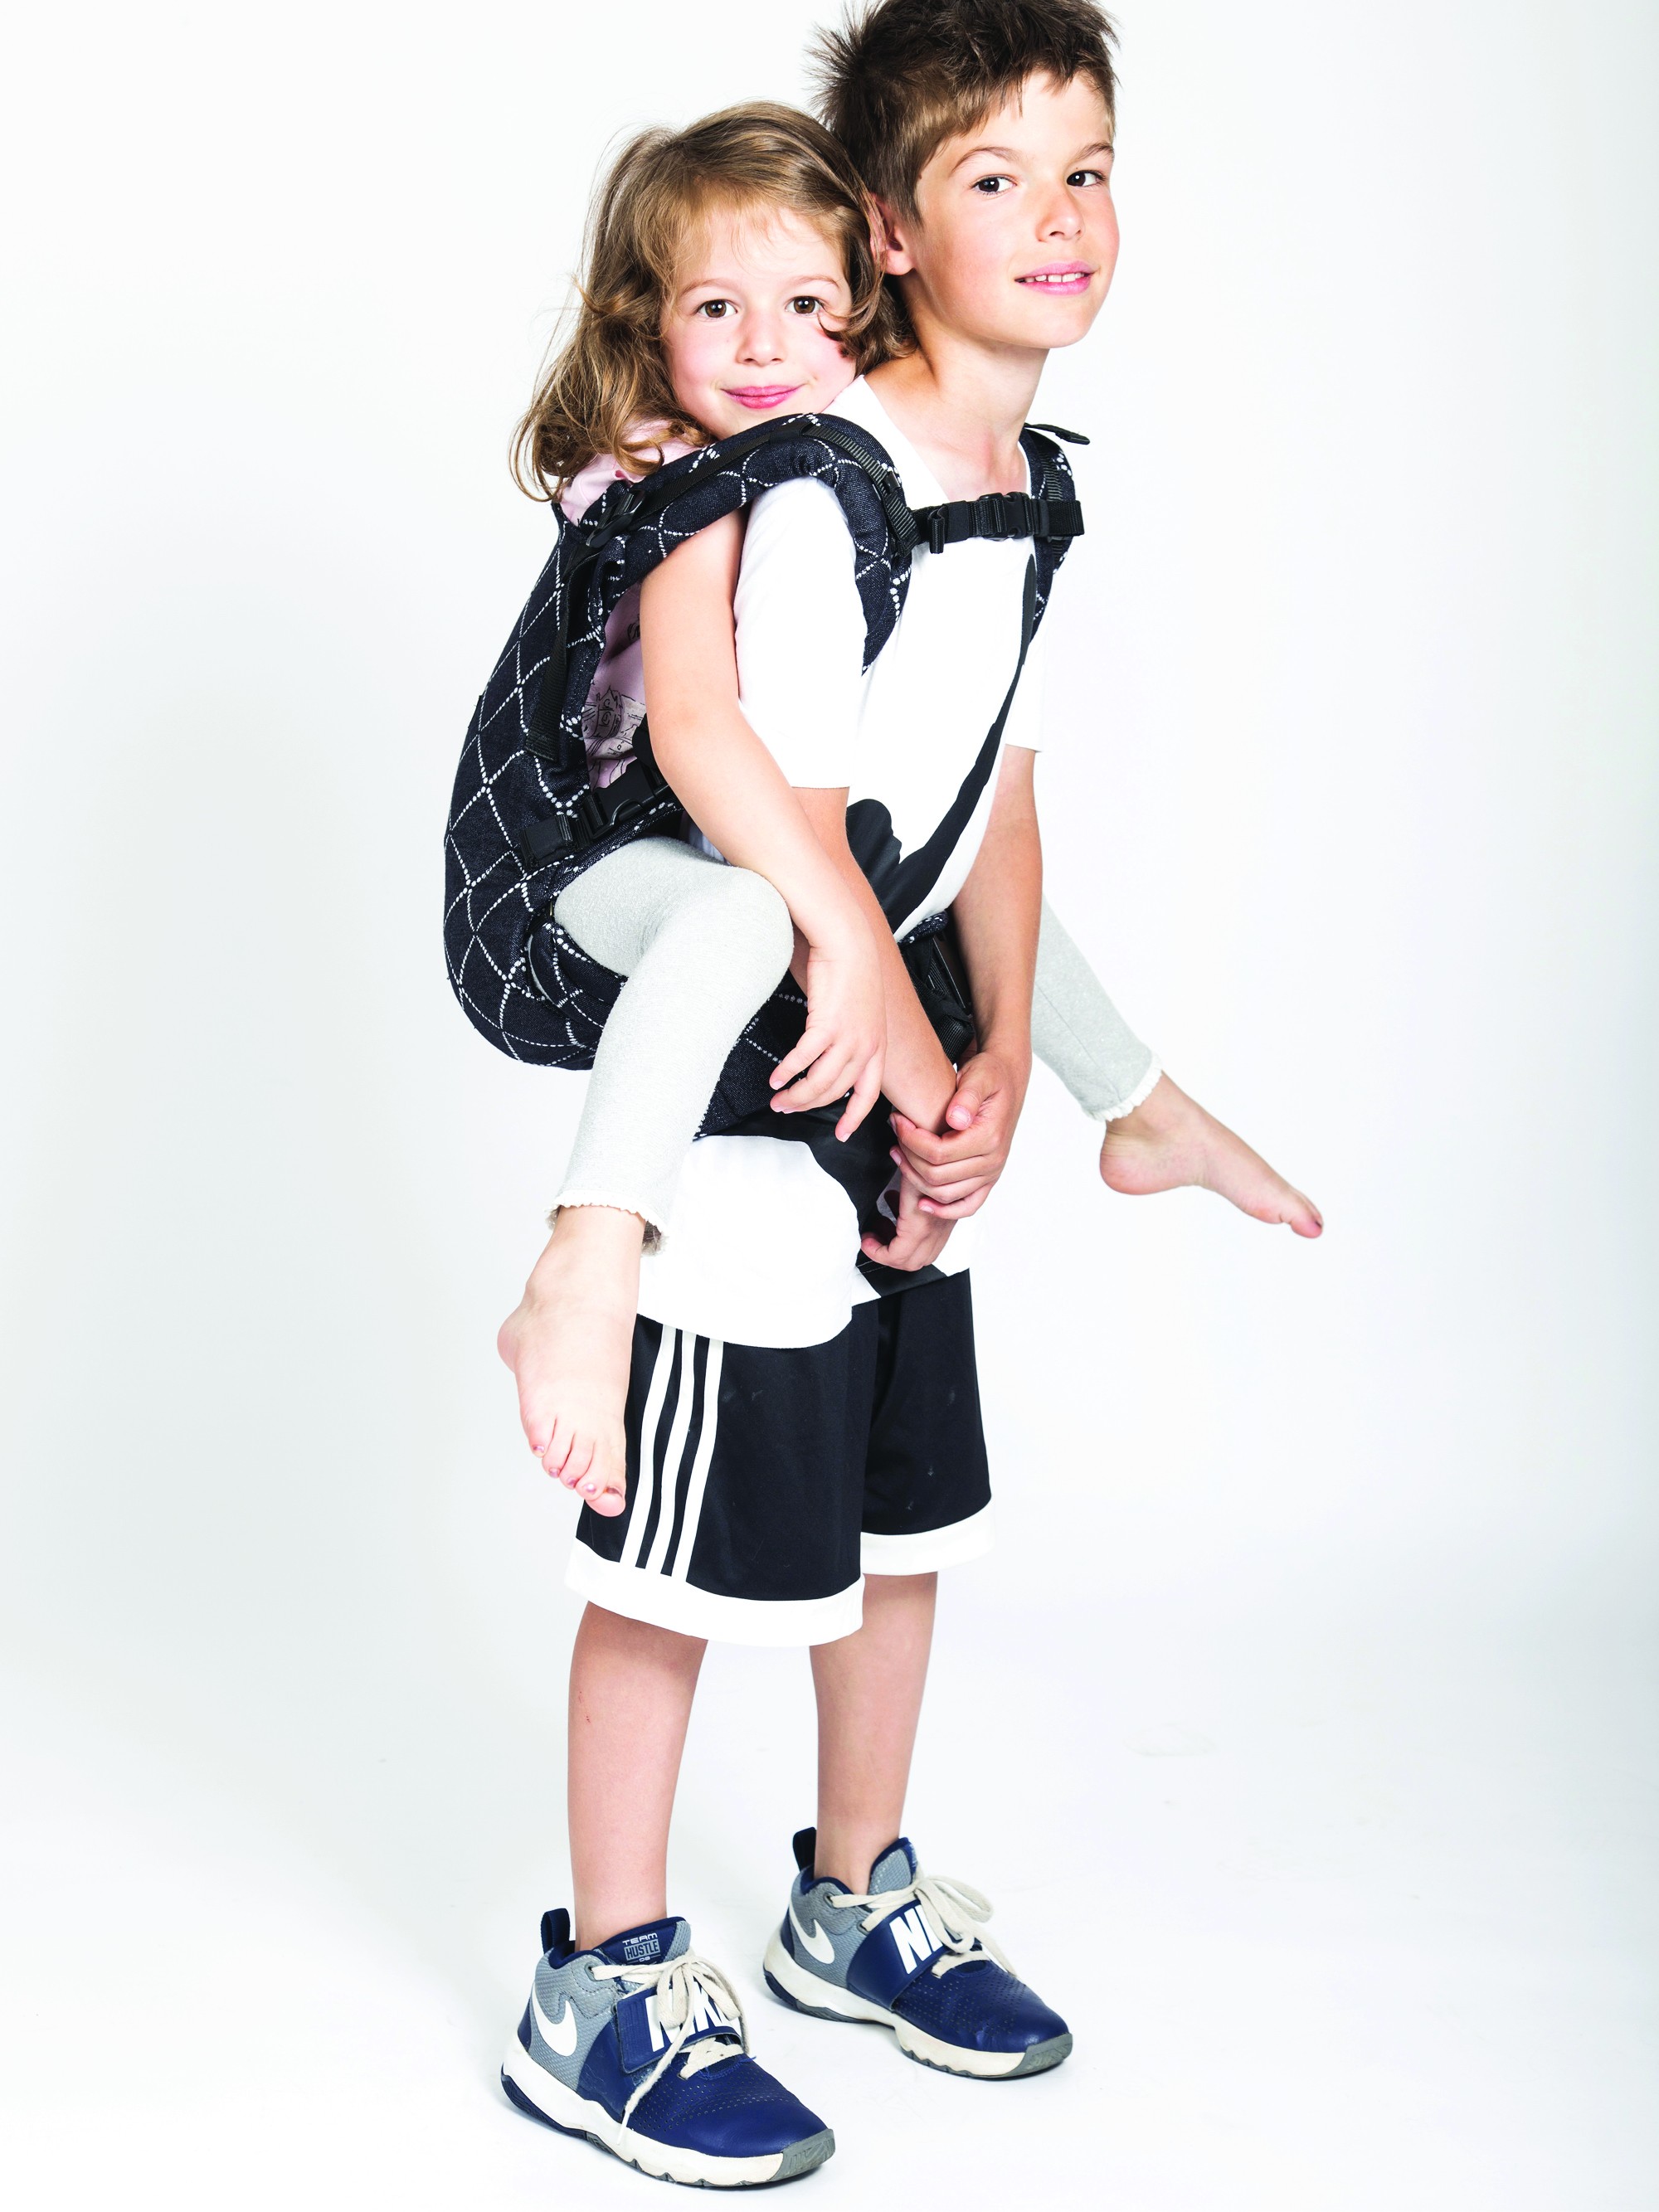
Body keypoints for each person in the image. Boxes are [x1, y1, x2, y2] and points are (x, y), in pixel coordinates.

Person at [494, 12, 1321, 2187]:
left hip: (882, 1009)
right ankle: (604, 1975)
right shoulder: (814, 469)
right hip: (747, 1033)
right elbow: (762, 796)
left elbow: (994, 812)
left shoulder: (1024, 485)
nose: (1059, 218)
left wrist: (1001, 1057)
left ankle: (854, 1892)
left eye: (1088, 172)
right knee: (681, 1546)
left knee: (898, 1513)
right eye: (995, 179)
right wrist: (895, 1006)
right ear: (887, 229)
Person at [499, 100, 1319, 1528]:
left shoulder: (824, 467)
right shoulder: (683, 472)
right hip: (583, 869)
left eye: (807, 308)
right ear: (652, 324)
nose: (765, 346)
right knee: (757, 914)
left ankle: (1138, 1101)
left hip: (710, 851)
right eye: (717, 308)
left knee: (924, 869)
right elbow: (693, 729)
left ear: (861, 308)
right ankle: (590, 1247)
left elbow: (974, 812)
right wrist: (851, 948)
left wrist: (917, 1012)